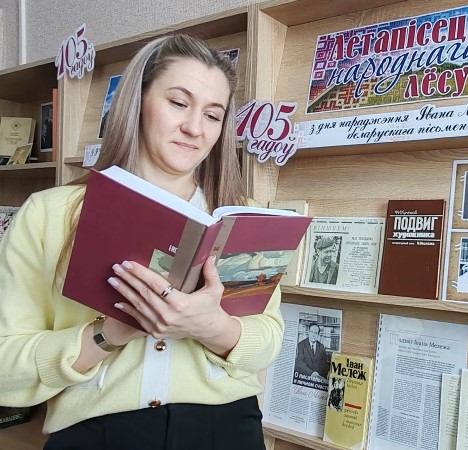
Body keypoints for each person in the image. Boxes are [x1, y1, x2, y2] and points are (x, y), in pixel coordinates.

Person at [0, 35, 284, 450]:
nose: (194, 128)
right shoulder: (48, 214)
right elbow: (5, 369)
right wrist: (111, 332)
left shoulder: (245, 219)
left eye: (212, 115)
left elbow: (269, 341)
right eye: (178, 102)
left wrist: (211, 327)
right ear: (138, 102)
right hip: (95, 433)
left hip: (225, 428)